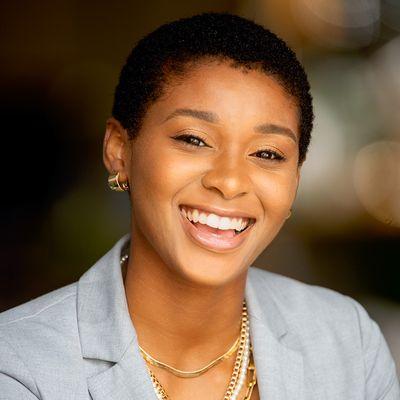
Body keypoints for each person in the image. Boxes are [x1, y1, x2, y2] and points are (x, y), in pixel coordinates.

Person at [0, 12, 398, 400]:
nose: (229, 181)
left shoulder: (348, 343)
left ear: (295, 180)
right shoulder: (21, 364)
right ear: (119, 150)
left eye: (268, 153)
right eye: (194, 139)